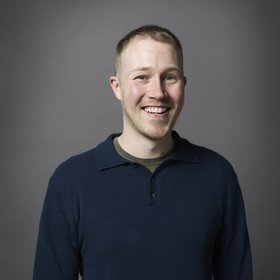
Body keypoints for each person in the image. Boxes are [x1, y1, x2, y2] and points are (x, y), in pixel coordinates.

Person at [33, 25, 253, 279]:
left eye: (169, 76)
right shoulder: (70, 180)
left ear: (183, 83)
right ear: (116, 87)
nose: (158, 92)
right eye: (142, 77)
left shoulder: (218, 175)